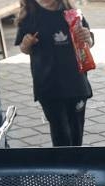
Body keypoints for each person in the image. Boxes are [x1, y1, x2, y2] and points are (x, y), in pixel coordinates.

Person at [16, 0, 95, 147]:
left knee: (76, 132)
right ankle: (63, 160)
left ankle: (76, 159)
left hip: (76, 85)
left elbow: (89, 42)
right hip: (48, 86)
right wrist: (26, 44)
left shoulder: (72, 13)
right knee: (60, 133)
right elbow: (23, 47)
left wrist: (87, 37)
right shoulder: (30, 15)